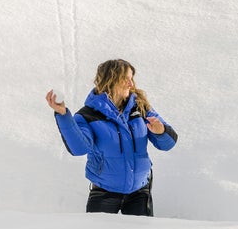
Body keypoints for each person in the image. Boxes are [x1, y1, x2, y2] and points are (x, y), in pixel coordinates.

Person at [46, 59, 178, 216]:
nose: (131, 84)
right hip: (104, 192)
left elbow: (168, 144)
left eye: (132, 78)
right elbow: (79, 148)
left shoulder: (140, 108)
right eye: (126, 79)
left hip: (139, 193)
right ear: (111, 79)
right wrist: (63, 115)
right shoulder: (89, 115)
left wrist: (160, 131)